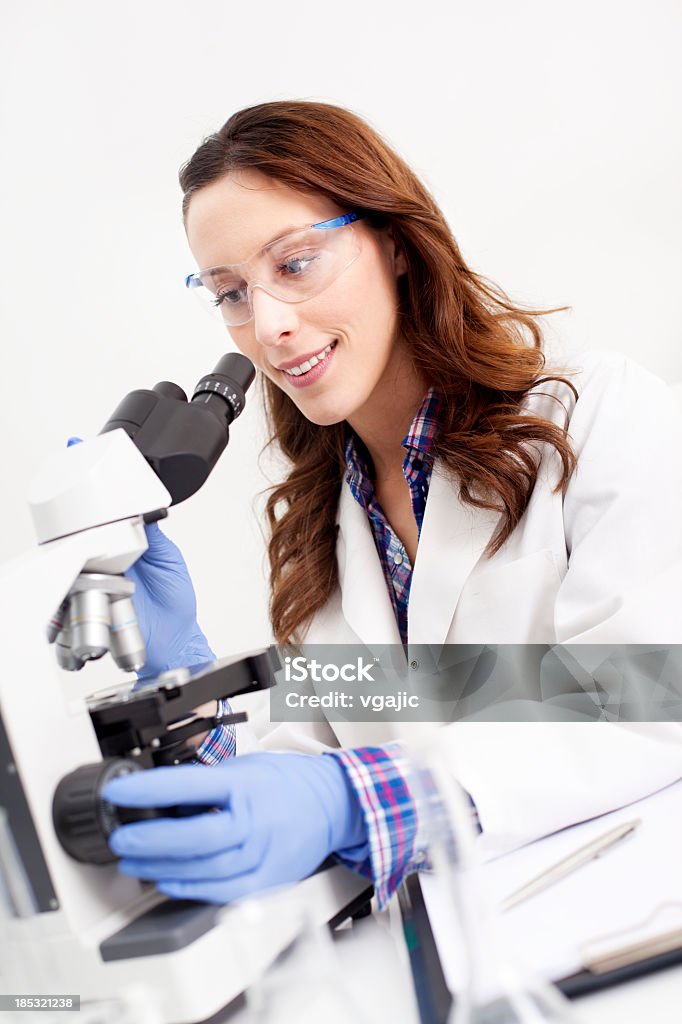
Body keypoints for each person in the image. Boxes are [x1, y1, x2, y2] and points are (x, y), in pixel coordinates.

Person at [103, 100, 682, 908]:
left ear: (396, 244)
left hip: (629, 937)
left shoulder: (595, 416)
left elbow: (648, 704)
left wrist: (347, 799)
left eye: (295, 264)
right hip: (452, 966)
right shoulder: (320, 531)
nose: (267, 325)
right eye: (230, 291)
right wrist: (184, 694)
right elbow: (299, 795)